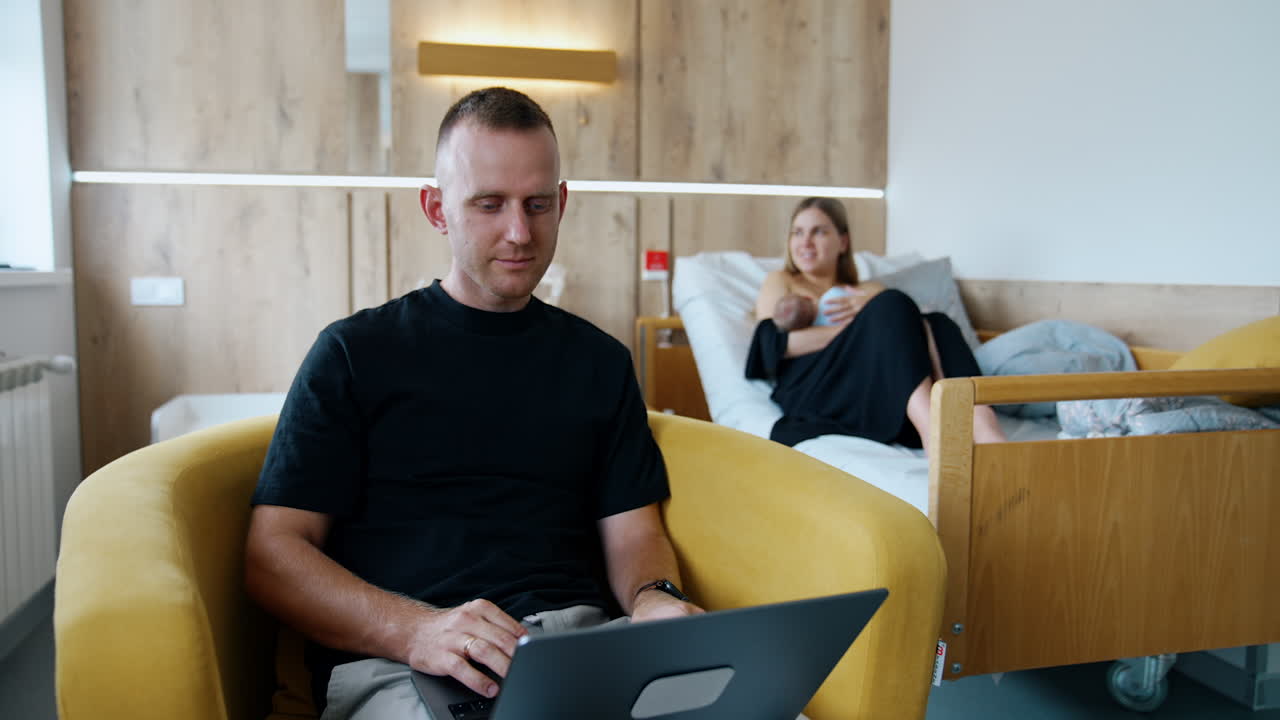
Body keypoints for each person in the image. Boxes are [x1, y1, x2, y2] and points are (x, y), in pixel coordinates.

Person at [244, 87, 702, 720]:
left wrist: (654, 598)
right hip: (411, 663)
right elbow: (272, 557)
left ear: (562, 203)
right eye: (489, 204)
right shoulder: (354, 354)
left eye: (538, 205)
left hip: (584, 646)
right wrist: (417, 630)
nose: (519, 233)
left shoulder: (600, 362)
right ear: (436, 209)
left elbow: (635, 533)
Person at [748, 197, 1006, 455]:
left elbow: (905, 340)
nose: (805, 242)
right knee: (892, 303)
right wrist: (863, 328)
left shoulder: (868, 290)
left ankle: (987, 432)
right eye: (797, 232)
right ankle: (933, 430)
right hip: (815, 385)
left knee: (939, 322)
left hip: (871, 386)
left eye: (819, 232)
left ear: (843, 242)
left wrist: (873, 320)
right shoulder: (781, 281)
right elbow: (773, 346)